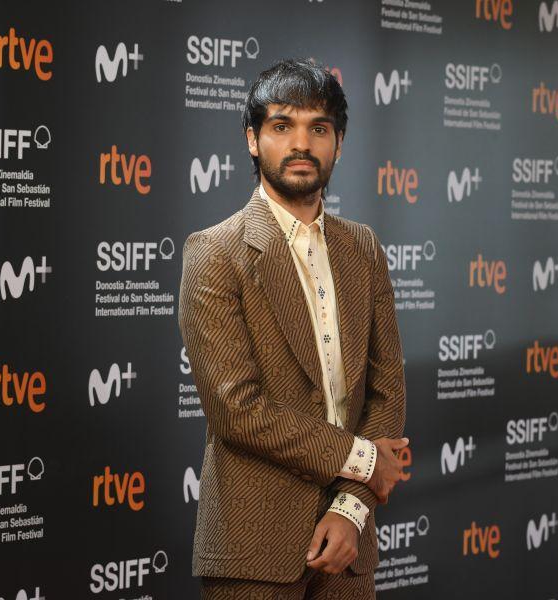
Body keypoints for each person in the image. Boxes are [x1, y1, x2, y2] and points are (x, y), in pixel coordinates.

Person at [178, 58, 408, 599]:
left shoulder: (363, 248)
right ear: (252, 140)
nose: (301, 144)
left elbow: (387, 389)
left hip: (349, 549)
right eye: (282, 126)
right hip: (253, 547)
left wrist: (352, 507)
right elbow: (237, 410)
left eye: (318, 128)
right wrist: (367, 460)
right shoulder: (215, 253)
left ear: (339, 144)